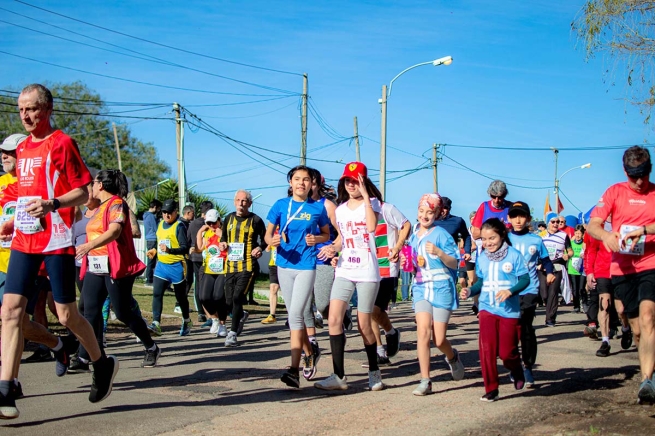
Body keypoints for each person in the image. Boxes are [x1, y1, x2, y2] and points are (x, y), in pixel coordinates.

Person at [0, 84, 117, 418]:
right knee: (10, 311)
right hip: (25, 239)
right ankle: (5, 390)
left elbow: (83, 191)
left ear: (47, 109)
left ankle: (101, 363)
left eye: (32, 108)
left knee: (66, 315)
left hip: (57, 238)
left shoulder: (62, 143)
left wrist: (53, 204)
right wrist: (13, 220)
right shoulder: (21, 148)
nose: (25, 115)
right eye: (21, 109)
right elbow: (25, 192)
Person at [587, 146, 655, 404]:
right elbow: (594, 224)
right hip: (622, 270)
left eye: (644, 175)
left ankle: (646, 380)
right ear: (625, 172)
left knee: (649, 317)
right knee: (637, 330)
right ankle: (650, 373)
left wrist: (644, 230)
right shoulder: (614, 192)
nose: (639, 182)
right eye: (634, 176)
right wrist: (606, 236)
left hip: (651, 263)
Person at [75, 169, 161, 368]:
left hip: (115, 266)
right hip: (96, 266)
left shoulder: (116, 204)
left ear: (101, 185)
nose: (92, 186)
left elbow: (114, 231)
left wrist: (88, 246)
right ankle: (84, 356)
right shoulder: (98, 207)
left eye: (94, 182)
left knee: (122, 312)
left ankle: (151, 347)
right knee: (90, 310)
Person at [314, 162, 385, 392]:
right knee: (333, 319)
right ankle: (339, 375)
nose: (351, 184)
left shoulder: (373, 203)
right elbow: (342, 238)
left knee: (365, 325)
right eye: (348, 180)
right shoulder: (341, 208)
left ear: (363, 181)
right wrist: (332, 248)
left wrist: (365, 196)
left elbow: (372, 228)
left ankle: (374, 371)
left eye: (356, 180)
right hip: (345, 269)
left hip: (366, 271)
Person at [265, 165, 330, 388]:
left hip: (306, 266)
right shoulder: (280, 205)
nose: (301, 183)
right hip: (284, 265)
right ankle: (310, 352)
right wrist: (271, 241)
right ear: (290, 183)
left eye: (306, 180)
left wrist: (317, 240)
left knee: (295, 316)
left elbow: (327, 234)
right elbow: (268, 234)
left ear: (312, 184)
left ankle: (293, 370)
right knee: (295, 317)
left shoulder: (317, 209)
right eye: (297, 179)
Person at [460, 218, 530, 402]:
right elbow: (481, 282)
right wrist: (470, 290)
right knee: (487, 349)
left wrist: (510, 291)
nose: (488, 243)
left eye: (492, 238)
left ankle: (516, 369)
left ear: (502, 235)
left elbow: (525, 280)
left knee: (507, 353)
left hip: (509, 311)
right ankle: (491, 388)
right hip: (486, 308)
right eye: (484, 239)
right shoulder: (482, 258)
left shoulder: (514, 255)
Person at [402, 193, 464, 396]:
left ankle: (452, 356)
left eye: (430, 212)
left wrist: (439, 253)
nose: (424, 215)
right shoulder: (413, 237)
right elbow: (412, 265)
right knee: (422, 332)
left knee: (439, 339)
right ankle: (425, 380)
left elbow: (455, 263)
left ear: (437, 213)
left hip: (441, 288)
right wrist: (406, 264)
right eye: (421, 211)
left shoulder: (442, 235)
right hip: (421, 287)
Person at [507, 201, 554, 387]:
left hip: (529, 289)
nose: (518, 220)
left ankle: (527, 366)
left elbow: (546, 260)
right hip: (508, 291)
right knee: (511, 330)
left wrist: (549, 272)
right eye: (514, 216)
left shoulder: (536, 240)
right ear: (509, 218)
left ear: (528, 219)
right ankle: (513, 365)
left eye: (522, 216)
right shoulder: (504, 240)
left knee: (526, 327)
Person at [219, 190, 267, 347]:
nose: (241, 203)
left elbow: (265, 239)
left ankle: (232, 334)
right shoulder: (228, 218)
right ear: (234, 202)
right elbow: (223, 237)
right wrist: (223, 244)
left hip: (247, 265)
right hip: (231, 265)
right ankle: (241, 315)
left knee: (237, 297)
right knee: (228, 300)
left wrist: (259, 248)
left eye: (244, 201)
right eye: (238, 200)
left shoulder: (256, 220)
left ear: (250, 204)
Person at [369, 198, 410, 366]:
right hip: (367, 267)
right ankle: (380, 352)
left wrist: (398, 246)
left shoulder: (387, 209)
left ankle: (391, 332)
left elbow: (406, 225)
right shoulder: (353, 209)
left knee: (374, 309)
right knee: (369, 309)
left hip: (387, 267)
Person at [585, 217, 631, 357]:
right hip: (602, 272)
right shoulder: (597, 228)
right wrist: (589, 272)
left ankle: (625, 328)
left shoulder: (625, 225)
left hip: (621, 271)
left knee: (621, 309)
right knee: (604, 304)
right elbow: (591, 251)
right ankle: (605, 342)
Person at [147, 199, 192, 336]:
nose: (166, 215)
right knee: (157, 293)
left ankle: (187, 320)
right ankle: (156, 323)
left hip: (176, 266)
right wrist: (154, 251)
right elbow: (159, 243)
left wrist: (170, 250)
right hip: (161, 266)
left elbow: (185, 248)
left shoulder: (179, 226)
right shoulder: (160, 224)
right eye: (164, 212)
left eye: (169, 213)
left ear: (175, 212)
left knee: (181, 297)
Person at [196, 209, 228, 337]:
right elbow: (199, 248)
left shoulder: (225, 232)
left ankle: (222, 324)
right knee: (204, 297)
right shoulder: (207, 233)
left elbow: (232, 246)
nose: (211, 226)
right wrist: (200, 232)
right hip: (209, 269)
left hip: (223, 269)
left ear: (219, 221)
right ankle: (214, 318)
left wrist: (222, 236)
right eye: (208, 223)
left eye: (214, 223)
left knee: (218, 296)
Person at [540, 216, 574, 326]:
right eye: (553, 222)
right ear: (548, 223)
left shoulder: (564, 236)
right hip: (543, 267)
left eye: (558, 222)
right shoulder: (540, 235)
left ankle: (550, 318)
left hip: (557, 266)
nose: (556, 224)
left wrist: (567, 255)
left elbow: (570, 251)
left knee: (553, 292)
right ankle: (547, 305)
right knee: (544, 294)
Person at [188, 200, 214, 324]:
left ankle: (200, 312)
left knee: (198, 284)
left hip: (195, 258)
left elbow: (188, 239)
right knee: (210, 284)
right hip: (208, 257)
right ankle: (210, 311)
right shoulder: (212, 224)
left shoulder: (192, 224)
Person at [175, 205, 196, 314]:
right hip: (183, 256)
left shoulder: (187, 224)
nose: (194, 215)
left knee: (189, 280)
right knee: (185, 280)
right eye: (193, 213)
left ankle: (181, 303)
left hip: (188, 256)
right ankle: (179, 304)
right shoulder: (181, 224)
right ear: (188, 213)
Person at [261, 228, 280, 324]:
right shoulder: (272, 230)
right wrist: (270, 243)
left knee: (287, 290)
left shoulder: (287, 228)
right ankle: (272, 315)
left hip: (285, 265)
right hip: (273, 264)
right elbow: (267, 249)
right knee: (273, 288)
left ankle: (292, 316)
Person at [143, 199, 162, 286]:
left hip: (149, 239)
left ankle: (149, 278)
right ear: (155, 207)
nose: (158, 211)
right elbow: (156, 228)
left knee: (151, 259)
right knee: (152, 260)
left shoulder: (146, 215)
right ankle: (149, 279)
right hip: (153, 239)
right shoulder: (151, 216)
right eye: (158, 209)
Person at [568, 225, 586, 313]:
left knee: (581, 288)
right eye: (576, 233)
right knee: (575, 289)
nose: (578, 235)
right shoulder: (571, 243)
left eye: (579, 233)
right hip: (572, 269)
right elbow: (566, 253)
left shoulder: (584, 244)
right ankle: (576, 306)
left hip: (582, 269)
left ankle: (584, 304)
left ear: (583, 234)